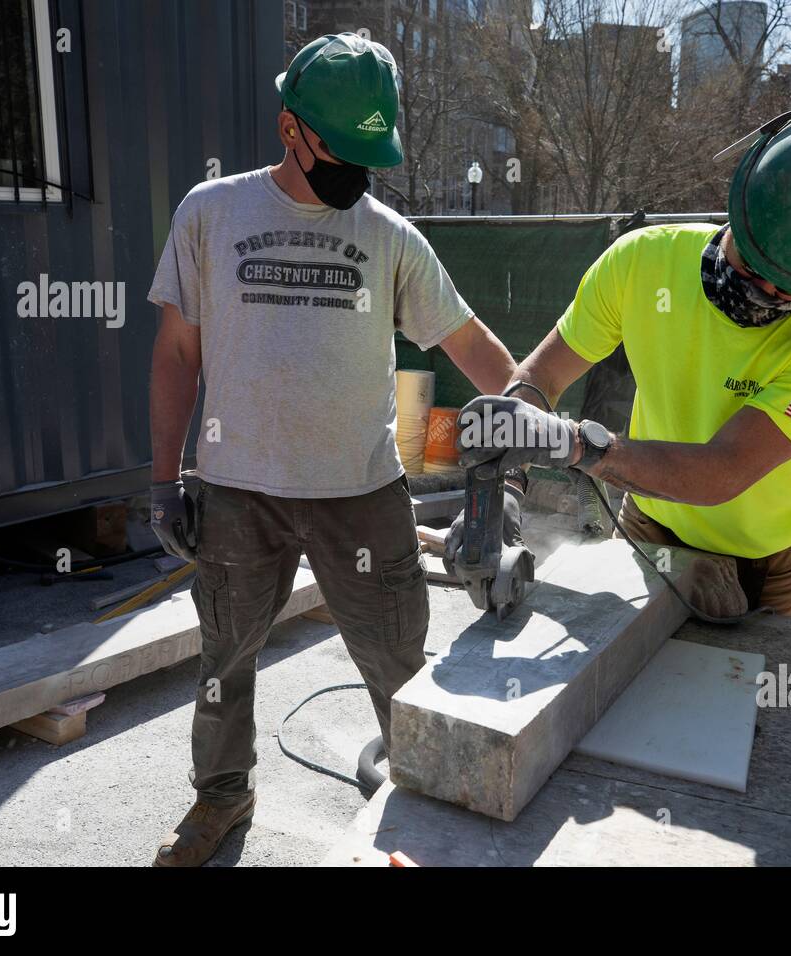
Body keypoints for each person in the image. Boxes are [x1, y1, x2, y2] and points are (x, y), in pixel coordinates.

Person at [146, 33, 518, 867]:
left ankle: (420, 805)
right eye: (341, 152)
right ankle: (221, 797)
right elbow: (176, 353)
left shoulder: (389, 234)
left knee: (396, 658)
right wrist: (166, 480)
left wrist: (532, 416)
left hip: (361, 493)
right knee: (224, 657)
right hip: (238, 489)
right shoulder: (211, 213)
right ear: (290, 129)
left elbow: (467, 342)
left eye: (368, 155)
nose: (357, 173)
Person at [449, 101, 791, 619]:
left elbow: (724, 470)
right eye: (754, 266)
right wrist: (500, 488)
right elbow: (542, 376)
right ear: (741, 204)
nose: (765, 292)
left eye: (790, 290)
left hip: (768, 560)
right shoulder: (640, 263)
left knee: (759, 690)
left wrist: (579, 445)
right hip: (650, 528)